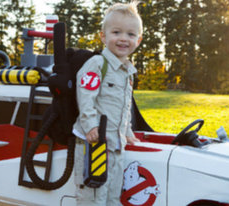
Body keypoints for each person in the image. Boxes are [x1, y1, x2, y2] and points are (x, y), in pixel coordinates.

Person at [71, 1, 142, 205]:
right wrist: (90, 125)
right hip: (95, 144)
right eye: (116, 32)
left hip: (116, 145)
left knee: (112, 196)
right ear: (103, 36)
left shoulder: (127, 72)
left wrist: (127, 132)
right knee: (93, 196)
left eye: (130, 34)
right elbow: (85, 96)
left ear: (138, 39)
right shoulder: (97, 64)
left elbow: (124, 107)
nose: (123, 39)